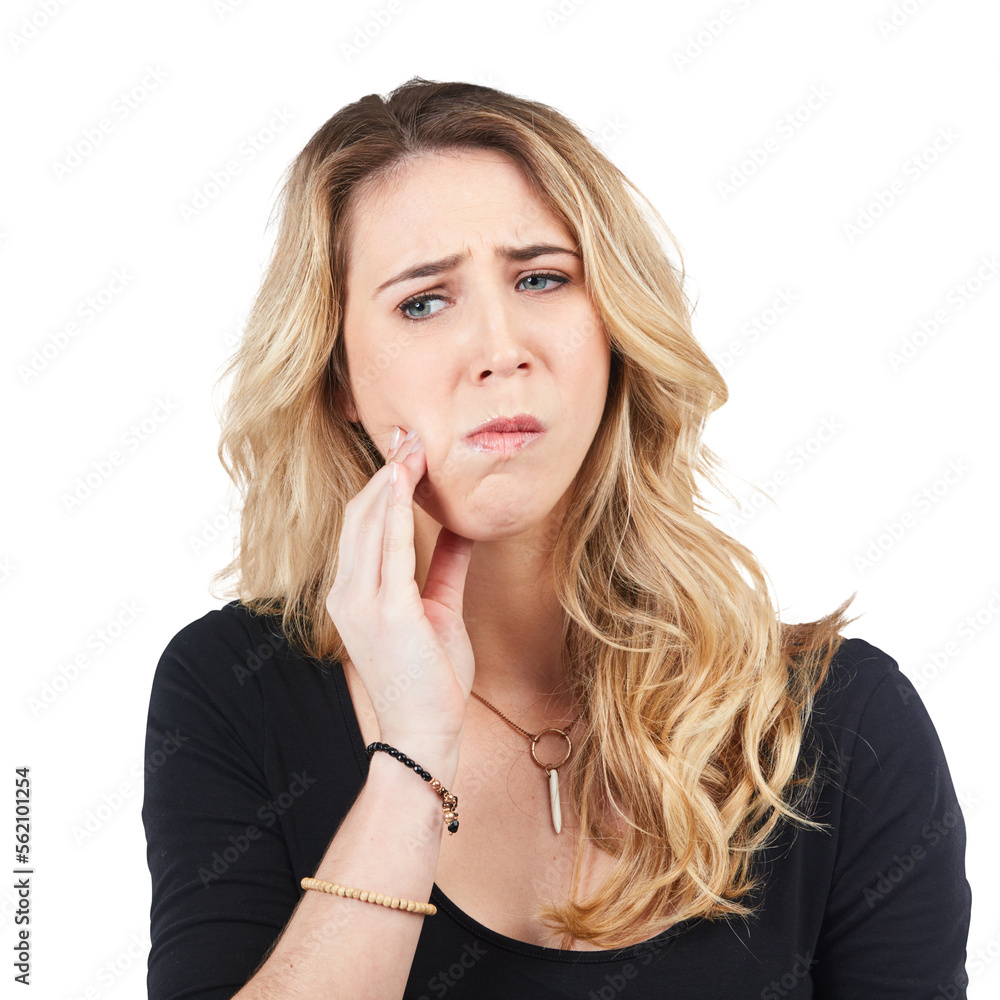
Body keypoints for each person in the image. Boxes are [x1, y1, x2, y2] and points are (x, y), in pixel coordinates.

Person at [142, 77, 972, 999]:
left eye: (542, 278)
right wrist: (413, 755)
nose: (500, 345)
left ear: (613, 328)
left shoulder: (840, 723)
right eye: (424, 301)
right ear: (339, 373)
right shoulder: (232, 692)